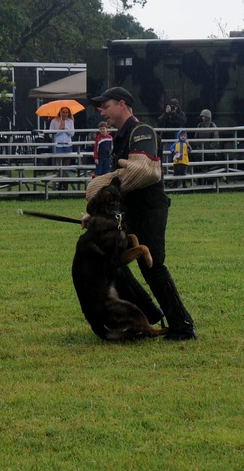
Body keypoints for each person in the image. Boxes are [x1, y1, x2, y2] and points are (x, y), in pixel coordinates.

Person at [84, 86, 196, 341]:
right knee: (115, 263)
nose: (103, 111)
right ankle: (145, 317)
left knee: (152, 265)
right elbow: (119, 186)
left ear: (122, 105)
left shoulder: (141, 132)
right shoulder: (121, 138)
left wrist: (97, 186)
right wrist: (96, 213)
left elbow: (141, 173)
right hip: (130, 210)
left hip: (150, 209)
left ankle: (183, 325)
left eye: (107, 105)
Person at [50, 106, 75, 176]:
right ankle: (60, 181)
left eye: (66, 112)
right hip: (58, 146)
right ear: (60, 112)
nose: (65, 114)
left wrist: (65, 127)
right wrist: (60, 129)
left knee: (66, 166)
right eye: (63, 112)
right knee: (59, 166)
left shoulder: (70, 121)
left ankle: (64, 183)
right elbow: (50, 135)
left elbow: (72, 133)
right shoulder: (54, 121)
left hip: (68, 145)